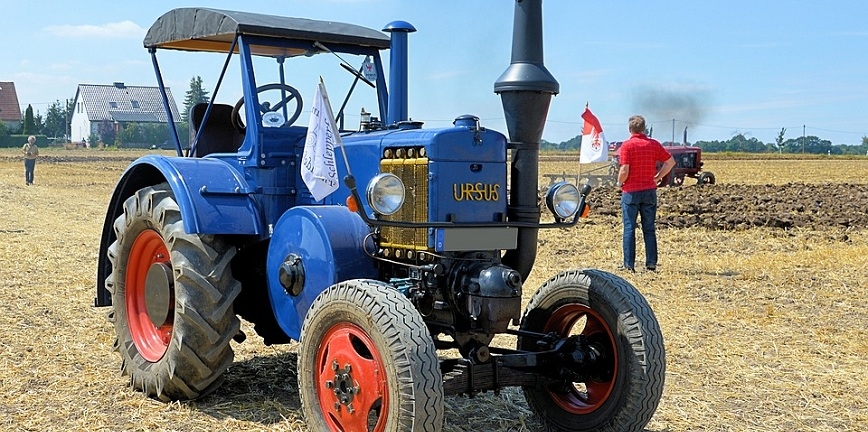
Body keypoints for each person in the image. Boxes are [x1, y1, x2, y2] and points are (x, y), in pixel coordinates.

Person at [616, 115, 676, 272]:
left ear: (630, 129)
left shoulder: (627, 146)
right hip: (649, 191)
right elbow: (670, 162)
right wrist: (658, 177)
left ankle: (629, 265)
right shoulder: (654, 144)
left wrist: (619, 182)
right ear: (644, 129)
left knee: (629, 228)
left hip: (630, 192)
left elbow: (624, 170)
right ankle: (651, 263)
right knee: (649, 228)